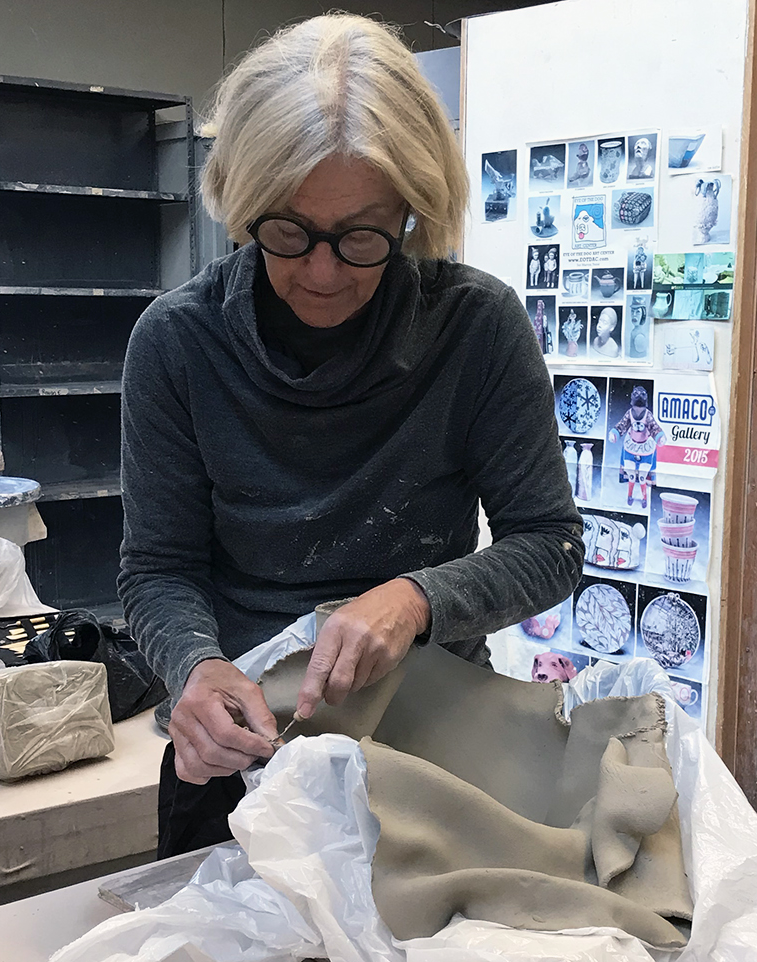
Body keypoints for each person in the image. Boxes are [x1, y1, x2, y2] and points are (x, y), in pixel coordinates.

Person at [118, 14, 584, 859]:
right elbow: (159, 567)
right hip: (242, 744)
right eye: (288, 231)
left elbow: (550, 546)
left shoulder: (475, 328)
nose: (323, 273)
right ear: (243, 201)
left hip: (437, 739)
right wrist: (193, 667)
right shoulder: (178, 343)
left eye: (364, 236)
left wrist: (414, 600)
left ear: (415, 211)